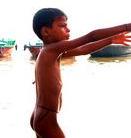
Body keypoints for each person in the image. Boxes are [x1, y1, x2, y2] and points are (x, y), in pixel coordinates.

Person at [30, 8, 131, 138]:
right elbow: (91, 37)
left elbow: (83, 49)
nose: (68, 29)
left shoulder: (50, 52)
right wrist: (127, 26)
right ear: (46, 31)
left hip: (41, 116)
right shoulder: (52, 50)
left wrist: (111, 40)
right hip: (47, 119)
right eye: (63, 26)